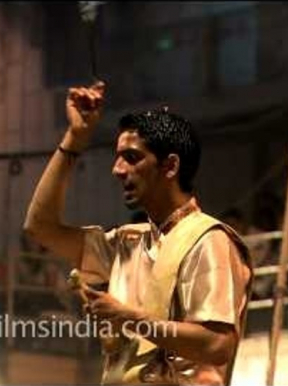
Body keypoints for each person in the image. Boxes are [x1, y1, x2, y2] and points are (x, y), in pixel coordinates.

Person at [24, 81, 252, 385]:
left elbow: (217, 344)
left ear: (170, 166)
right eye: (118, 157)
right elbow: (40, 227)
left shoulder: (209, 239)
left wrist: (128, 318)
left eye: (132, 158)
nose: (117, 170)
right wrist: (76, 137)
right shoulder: (127, 243)